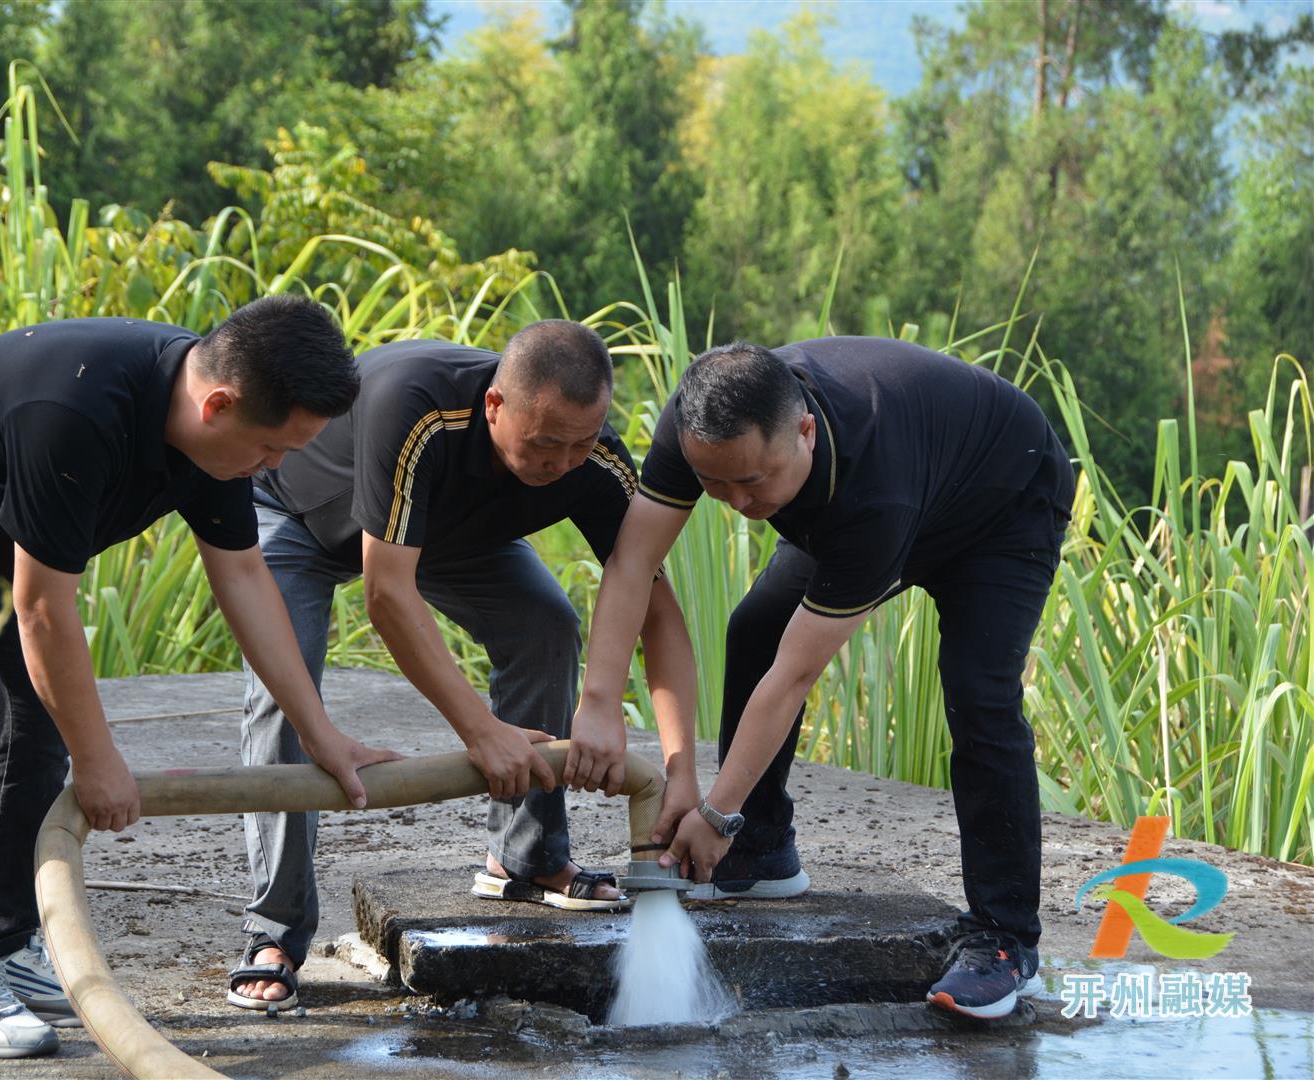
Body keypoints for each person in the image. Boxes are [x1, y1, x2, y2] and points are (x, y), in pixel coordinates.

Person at [0, 297, 399, 1058]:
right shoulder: (76, 411)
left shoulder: (216, 436)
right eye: (272, 450)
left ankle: (7, 948)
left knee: (35, 722)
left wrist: (320, 733)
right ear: (219, 403)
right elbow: (43, 611)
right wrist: (98, 759)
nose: (272, 471)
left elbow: (244, 577)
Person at [572, 337, 1074, 1020]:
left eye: (753, 481)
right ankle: (762, 850)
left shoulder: (872, 492)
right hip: (901, 482)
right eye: (715, 485)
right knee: (755, 629)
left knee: (979, 693)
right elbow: (632, 565)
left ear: (804, 431)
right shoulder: (699, 425)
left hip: (1002, 500)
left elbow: (794, 675)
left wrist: (716, 811)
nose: (737, 502)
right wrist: (599, 703)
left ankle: (1006, 940)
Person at [229, 320, 700, 1011]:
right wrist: (482, 730)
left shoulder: (593, 461)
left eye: (581, 443)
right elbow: (387, 595)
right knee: (285, 688)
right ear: (494, 407)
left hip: (448, 533)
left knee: (545, 625)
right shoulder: (418, 407)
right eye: (543, 444)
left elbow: (658, 610)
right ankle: (274, 931)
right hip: (299, 515)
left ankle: (526, 858)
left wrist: (674, 761)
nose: (563, 463)